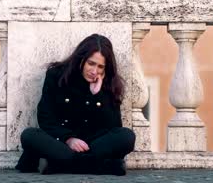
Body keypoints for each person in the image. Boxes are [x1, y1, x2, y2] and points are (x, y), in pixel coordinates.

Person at [15, 34, 136, 175]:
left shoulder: (108, 84)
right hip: (62, 144)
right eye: (91, 63)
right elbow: (45, 117)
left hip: (93, 145)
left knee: (127, 137)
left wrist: (98, 95)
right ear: (81, 59)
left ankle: (60, 165)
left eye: (100, 67)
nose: (94, 71)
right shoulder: (56, 75)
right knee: (29, 136)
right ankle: (99, 166)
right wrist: (69, 139)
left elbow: (114, 126)